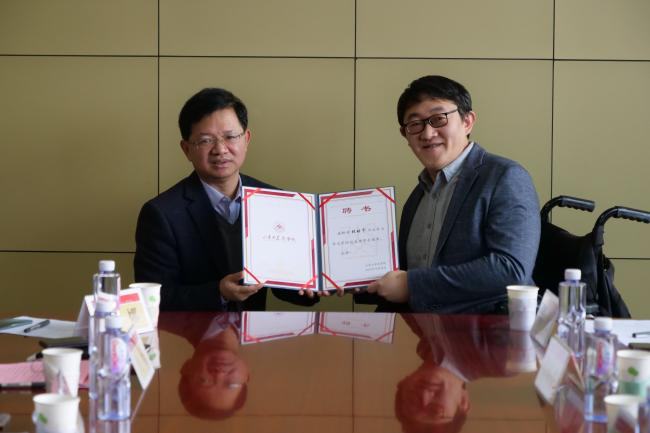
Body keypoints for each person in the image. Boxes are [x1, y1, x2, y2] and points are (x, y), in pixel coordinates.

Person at [359, 75, 540, 313]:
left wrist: (412, 286)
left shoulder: (505, 177)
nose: (427, 133)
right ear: (405, 135)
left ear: (467, 121)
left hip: (487, 329)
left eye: (438, 119)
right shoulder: (417, 196)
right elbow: (401, 278)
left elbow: (511, 270)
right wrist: (338, 279)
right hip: (421, 331)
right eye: (415, 124)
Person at [134, 88, 317, 311]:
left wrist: (311, 284)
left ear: (246, 139)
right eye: (205, 140)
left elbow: (284, 286)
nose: (220, 150)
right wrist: (218, 292)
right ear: (187, 149)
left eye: (230, 137)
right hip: (191, 333)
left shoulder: (275, 201)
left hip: (254, 332)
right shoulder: (161, 213)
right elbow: (155, 299)